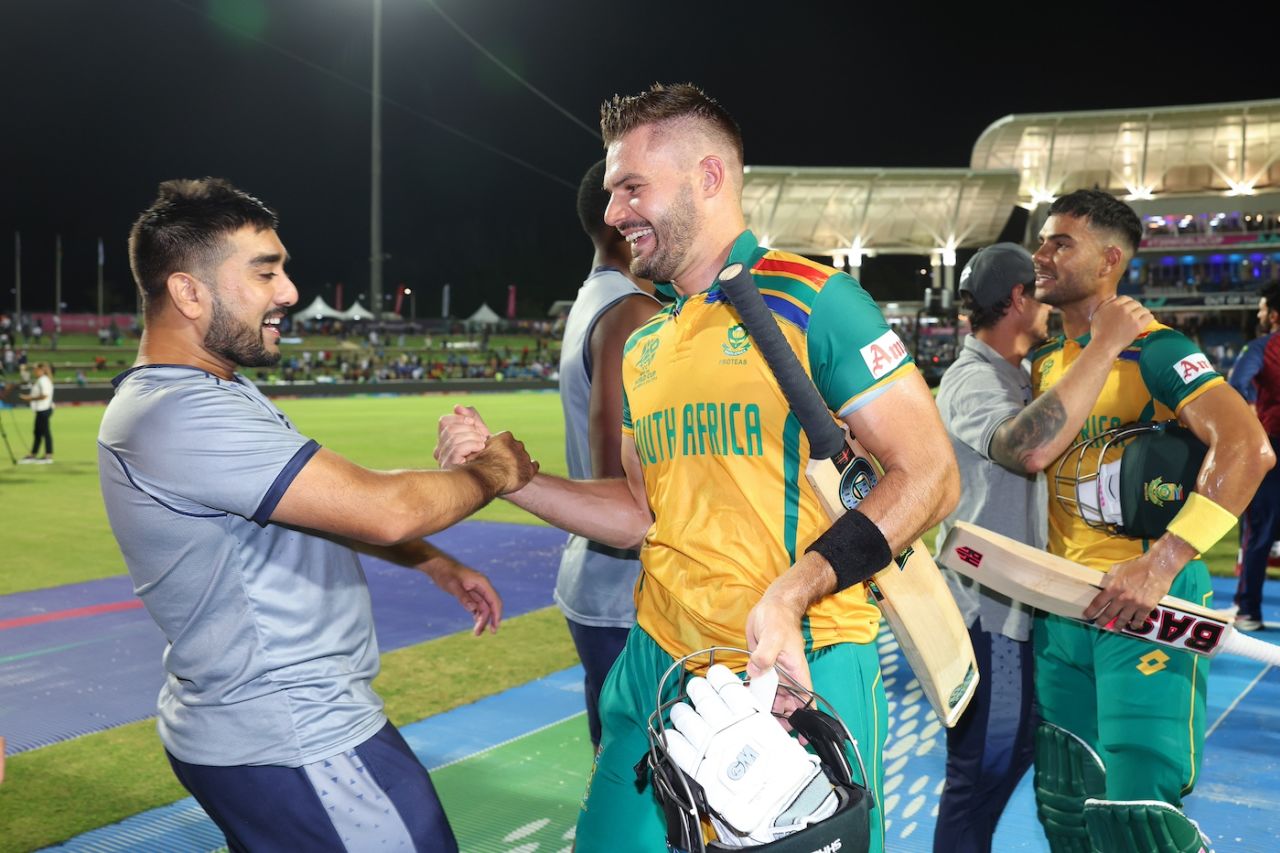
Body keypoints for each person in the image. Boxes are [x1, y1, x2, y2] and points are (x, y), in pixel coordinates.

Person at [437, 83, 959, 853]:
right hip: (659, 666)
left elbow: (929, 475)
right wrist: (518, 480)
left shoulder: (819, 302)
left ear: (708, 178)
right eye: (613, 192)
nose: (614, 214)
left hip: (795, 668)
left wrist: (793, 589)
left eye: (631, 188)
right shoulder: (648, 344)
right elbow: (642, 513)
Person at [99, 178, 537, 853]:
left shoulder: (211, 392)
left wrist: (434, 561)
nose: (289, 292)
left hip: (261, 729)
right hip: (297, 735)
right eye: (265, 271)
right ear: (189, 292)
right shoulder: (181, 412)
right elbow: (383, 509)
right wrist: (495, 471)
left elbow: (333, 499)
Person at [1023, 190, 1271, 851]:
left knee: (1134, 817)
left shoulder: (1157, 350)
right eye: (1043, 241)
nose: (1041, 254)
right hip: (1062, 605)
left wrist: (1162, 563)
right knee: (1067, 804)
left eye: (1060, 242)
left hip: (1142, 604)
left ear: (1109, 260)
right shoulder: (1048, 361)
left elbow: (1249, 447)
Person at [932, 243, 1152, 853]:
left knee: (1007, 764)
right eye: (1039, 287)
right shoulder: (972, 378)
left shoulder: (1014, 373)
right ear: (1019, 300)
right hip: (993, 619)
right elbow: (1025, 449)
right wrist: (1105, 346)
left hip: (1019, 615)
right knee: (980, 778)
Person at [555, 159, 660, 749]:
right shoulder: (632, 313)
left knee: (625, 786)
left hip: (601, 586)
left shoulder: (596, 300)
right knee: (659, 802)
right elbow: (617, 482)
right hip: (633, 594)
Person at [1228, 281, 1280, 632]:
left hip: (1273, 447)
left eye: (1262, 309)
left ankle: (1249, 612)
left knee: (1259, 530)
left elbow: (1236, 384)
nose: (1259, 314)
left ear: (1273, 315)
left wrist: (1250, 415)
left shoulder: (1262, 347)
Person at [19, 361, 54, 463]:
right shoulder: (42, 380)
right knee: (38, 432)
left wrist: (29, 398)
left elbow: (45, 395)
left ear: (40, 370)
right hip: (42, 409)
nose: (34, 372)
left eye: (35, 369)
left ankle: (48, 455)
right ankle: (33, 454)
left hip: (44, 409)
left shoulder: (43, 380)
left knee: (45, 432)